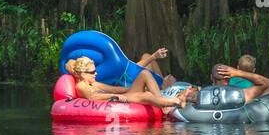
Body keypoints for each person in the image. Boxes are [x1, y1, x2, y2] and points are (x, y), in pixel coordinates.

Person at [66, 56, 194, 109]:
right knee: (146, 96)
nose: (96, 74)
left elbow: (114, 89)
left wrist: (133, 90)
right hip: (113, 100)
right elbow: (93, 97)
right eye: (93, 72)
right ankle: (176, 102)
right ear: (83, 75)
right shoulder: (81, 86)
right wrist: (115, 96)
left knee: (144, 73)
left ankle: (161, 102)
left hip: (119, 96)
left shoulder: (93, 83)